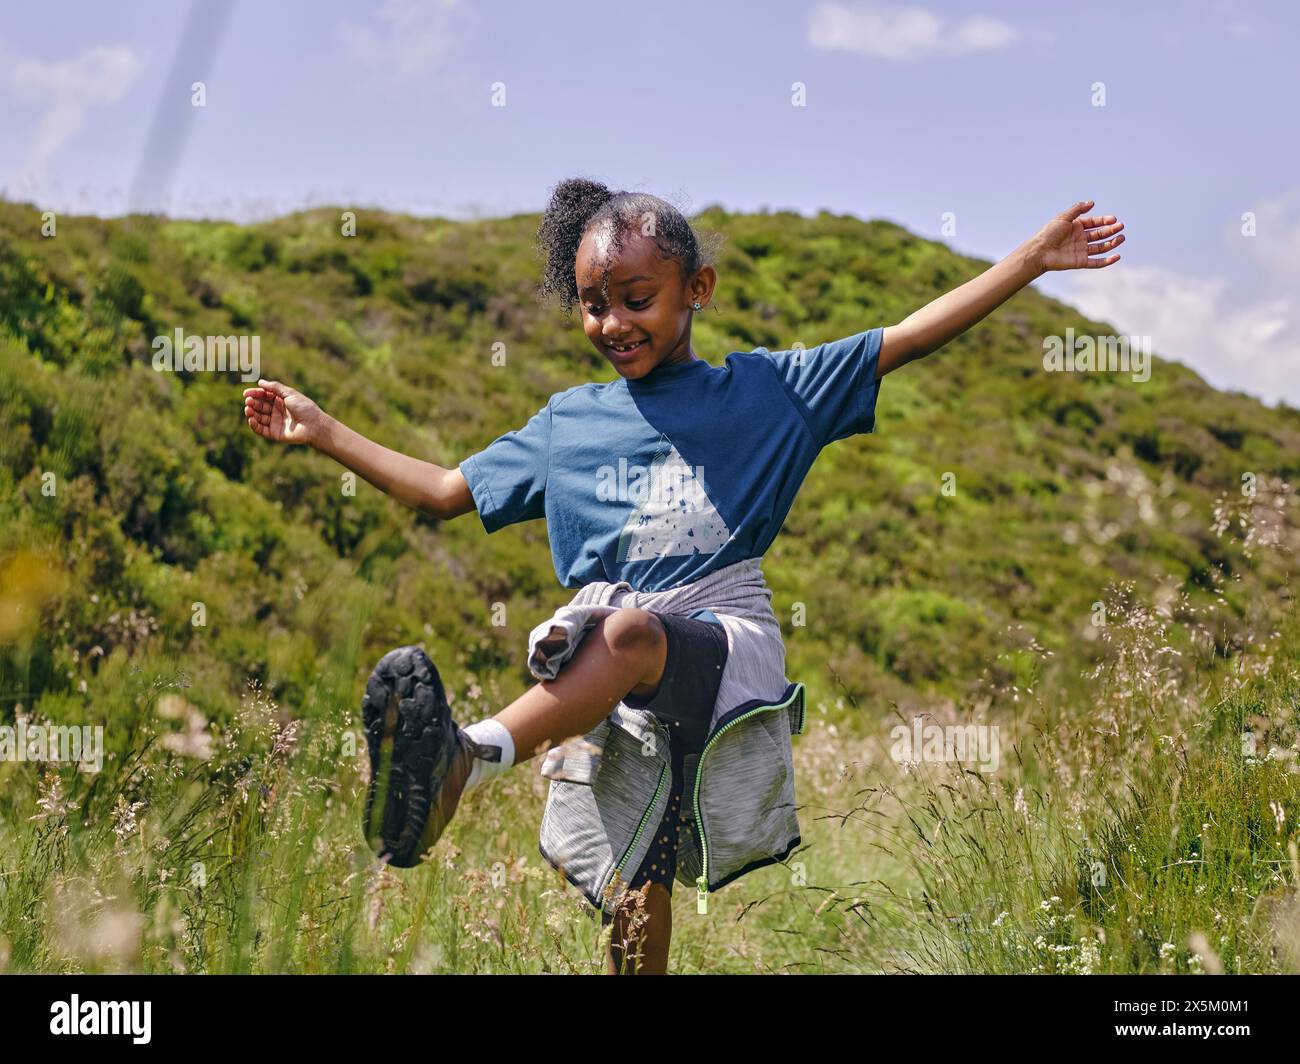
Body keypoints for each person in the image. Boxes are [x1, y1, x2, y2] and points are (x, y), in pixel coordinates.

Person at [242, 180, 1124, 973]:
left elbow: (906, 337)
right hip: (609, 673)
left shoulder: (768, 393)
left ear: (696, 290)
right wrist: (323, 431)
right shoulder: (568, 424)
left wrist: (1031, 261)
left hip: (714, 643)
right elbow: (443, 492)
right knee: (638, 885)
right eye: (593, 306)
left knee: (631, 635)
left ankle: (466, 761)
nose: (613, 325)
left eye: (637, 300)